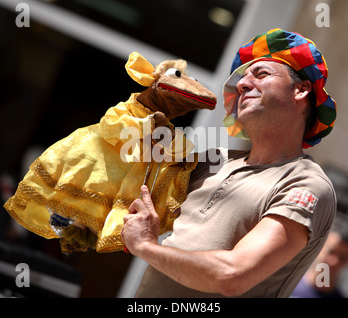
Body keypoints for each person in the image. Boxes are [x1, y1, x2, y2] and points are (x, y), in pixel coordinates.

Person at [121, 28, 337, 297]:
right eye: (241, 80)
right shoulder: (214, 160)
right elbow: (122, 198)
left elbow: (232, 275)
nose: (243, 85)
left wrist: (145, 246)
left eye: (261, 74)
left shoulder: (305, 183)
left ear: (301, 90)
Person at [291, 212, 348, 298]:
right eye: (331, 252)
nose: (334, 261)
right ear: (320, 247)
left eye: (342, 258)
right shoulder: (287, 283)